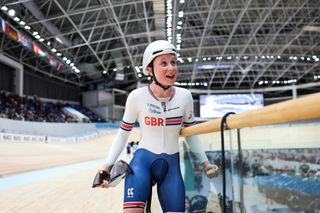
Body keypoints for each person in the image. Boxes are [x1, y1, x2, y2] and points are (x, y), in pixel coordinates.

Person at [98, 40, 219, 213]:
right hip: (141, 165)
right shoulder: (136, 97)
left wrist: (206, 163)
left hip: (172, 170)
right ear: (149, 70)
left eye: (173, 62)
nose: (171, 68)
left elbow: (191, 135)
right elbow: (123, 134)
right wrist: (107, 165)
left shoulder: (185, 97)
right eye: (163, 63)